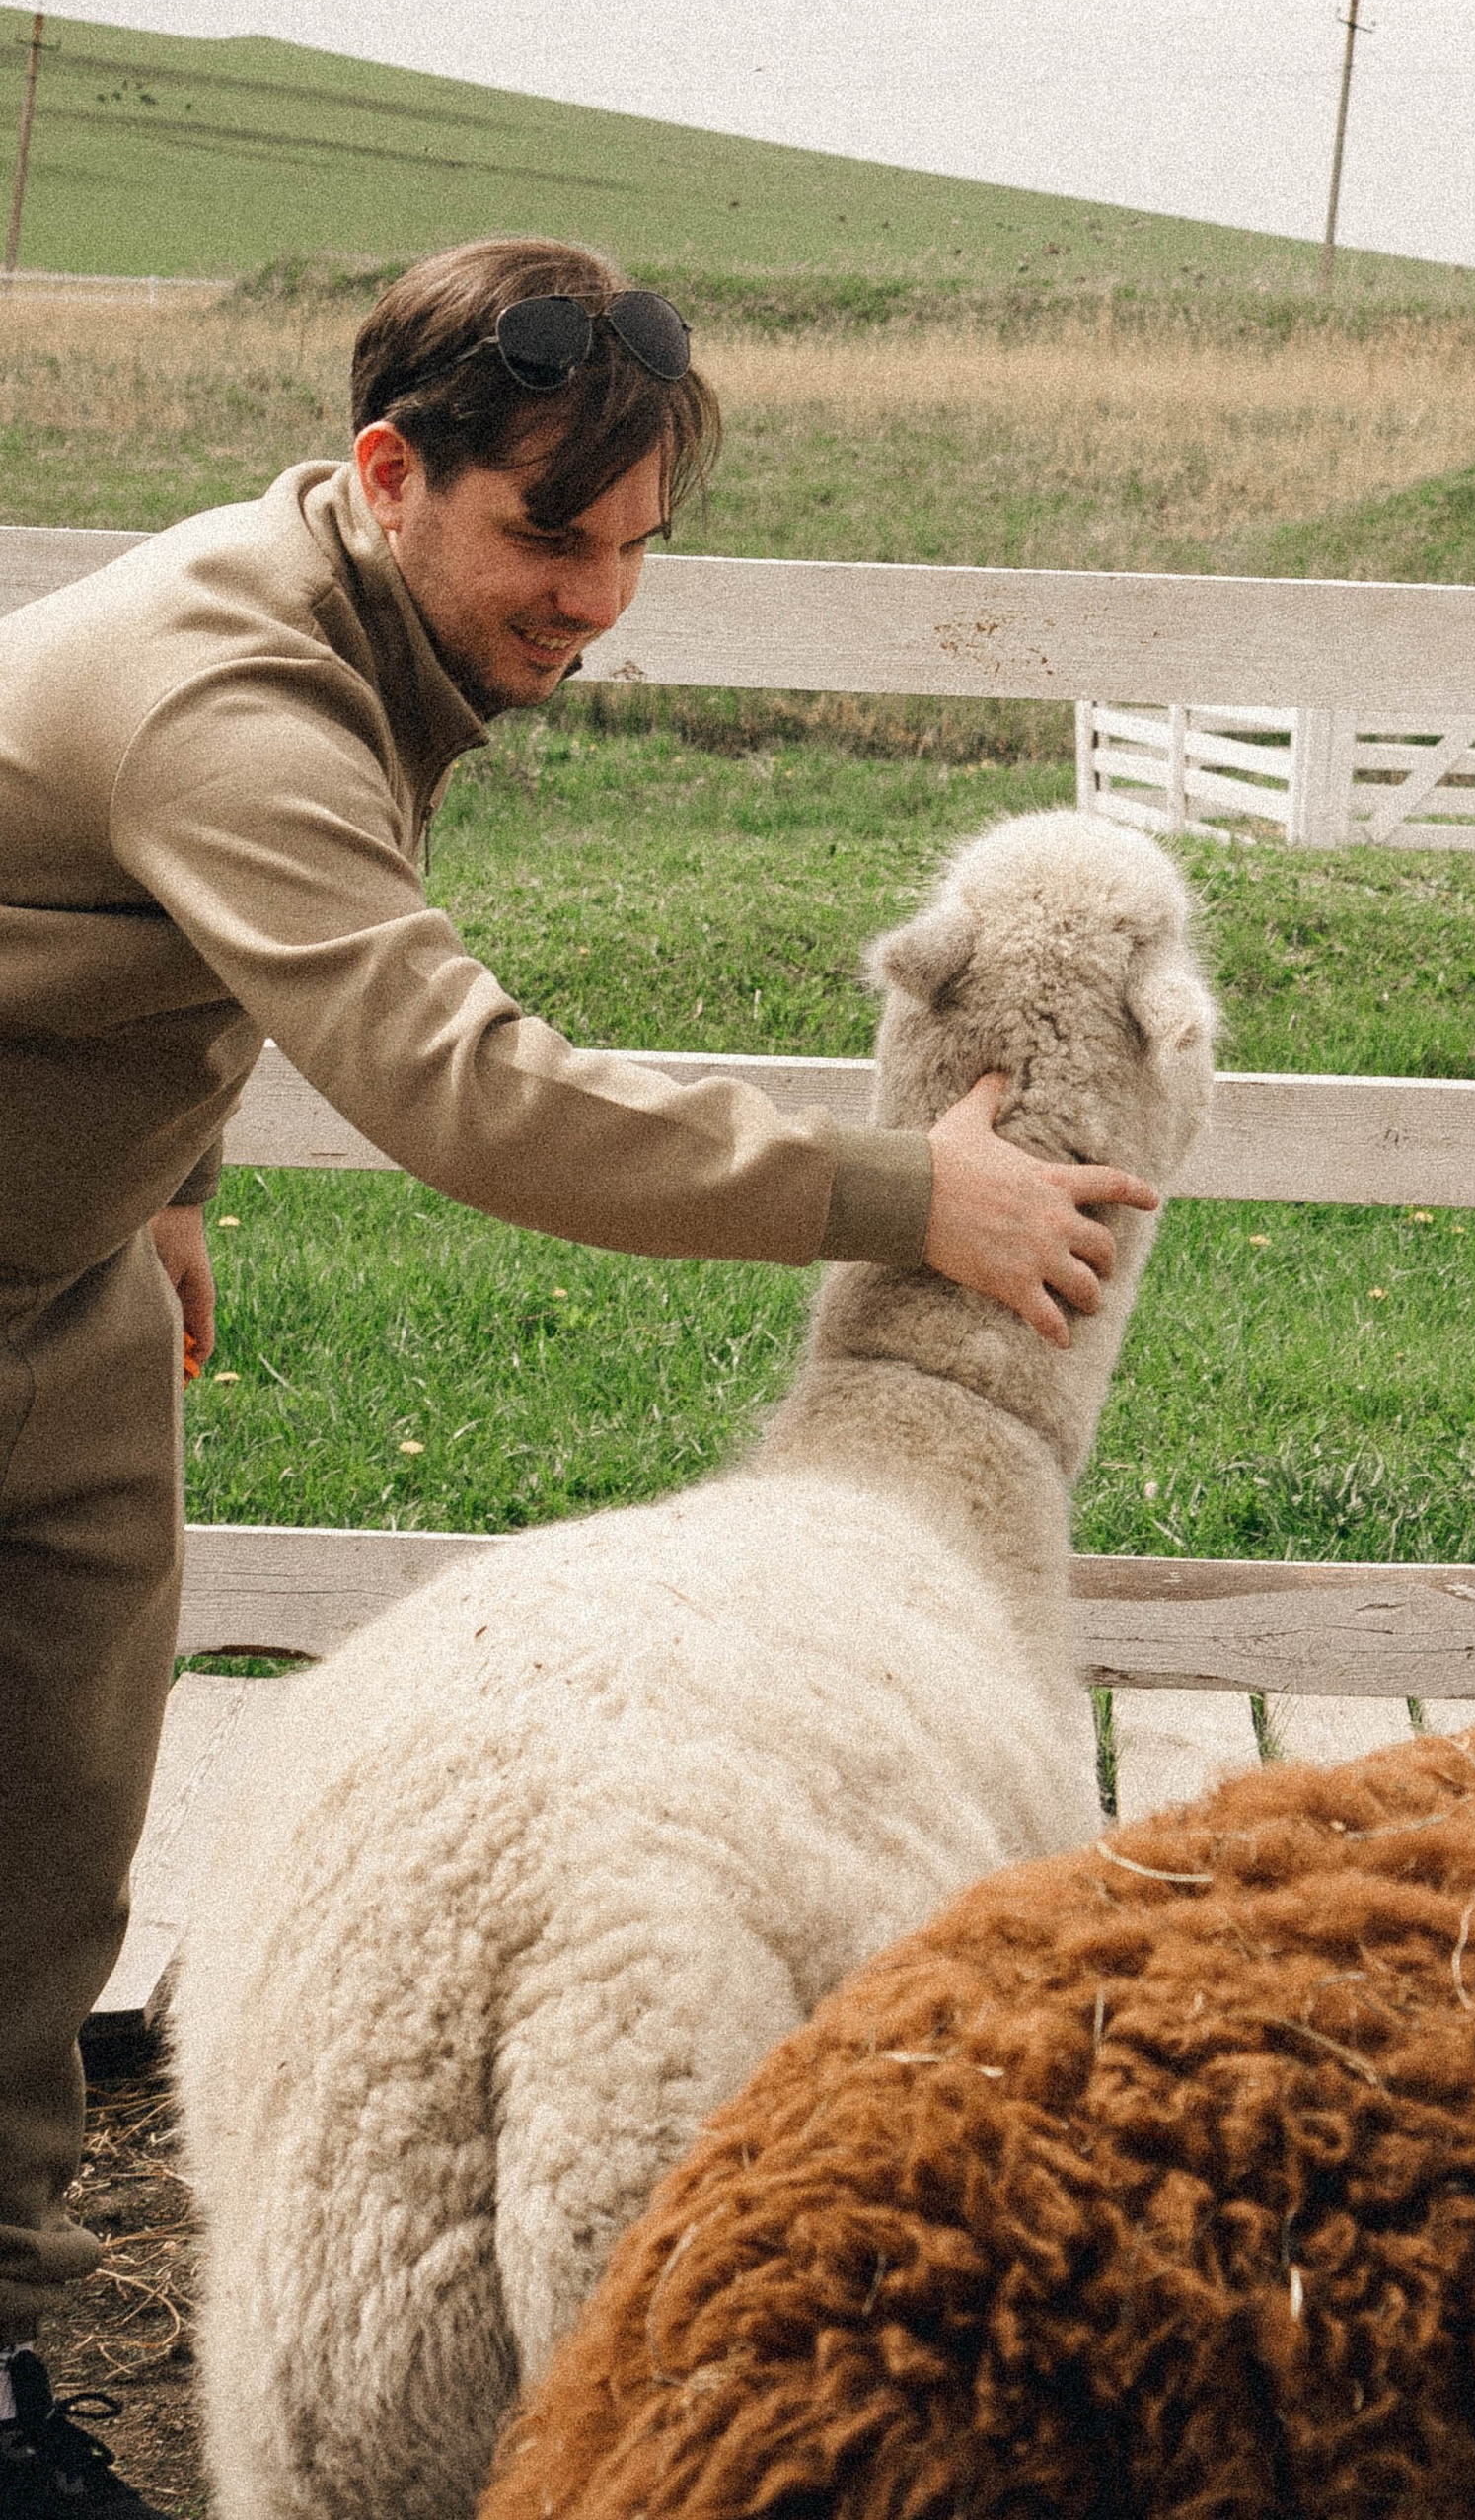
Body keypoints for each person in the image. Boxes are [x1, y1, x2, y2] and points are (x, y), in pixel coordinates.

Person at [0, 237, 1155, 2517]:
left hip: (63, 1299)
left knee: (40, 1869)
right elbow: (461, 1086)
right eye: (553, 534)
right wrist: (893, 1193)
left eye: (637, 545)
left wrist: (169, 1166)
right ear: (388, 472)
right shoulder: (232, 690)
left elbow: (129, 929)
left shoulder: (363, 630)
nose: (597, 600)